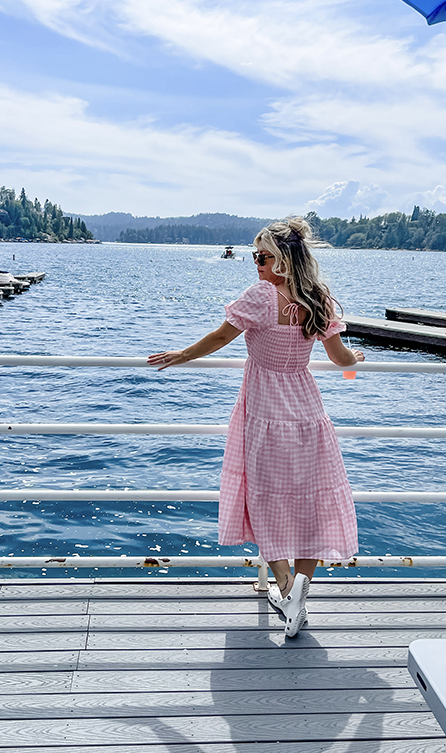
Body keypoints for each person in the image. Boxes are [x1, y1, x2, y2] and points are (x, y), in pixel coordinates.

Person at [148, 217, 364, 637]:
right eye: (254, 256)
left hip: (264, 413)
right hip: (307, 414)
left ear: (282, 260)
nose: (255, 264)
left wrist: (181, 356)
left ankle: (284, 584)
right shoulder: (317, 299)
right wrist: (357, 360)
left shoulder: (263, 297)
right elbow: (340, 360)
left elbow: (219, 338)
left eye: (261, 256)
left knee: (263, 499)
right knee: (310, 503)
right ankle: (300, 588)